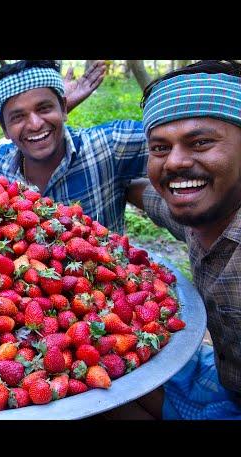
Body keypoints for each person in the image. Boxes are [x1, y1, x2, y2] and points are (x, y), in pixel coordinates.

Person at [114, 60, 241, 420]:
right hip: (224, 380)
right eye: (159, 148)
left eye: (200, 142)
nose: (175, 163)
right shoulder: (195, 209)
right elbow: (149, 196)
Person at [0, 60, 148, 234]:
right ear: (4, 128)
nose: (35, 124)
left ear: (64, 108)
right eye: (18, 117)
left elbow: (166, 136)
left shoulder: (106, 146)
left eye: (44, 108)